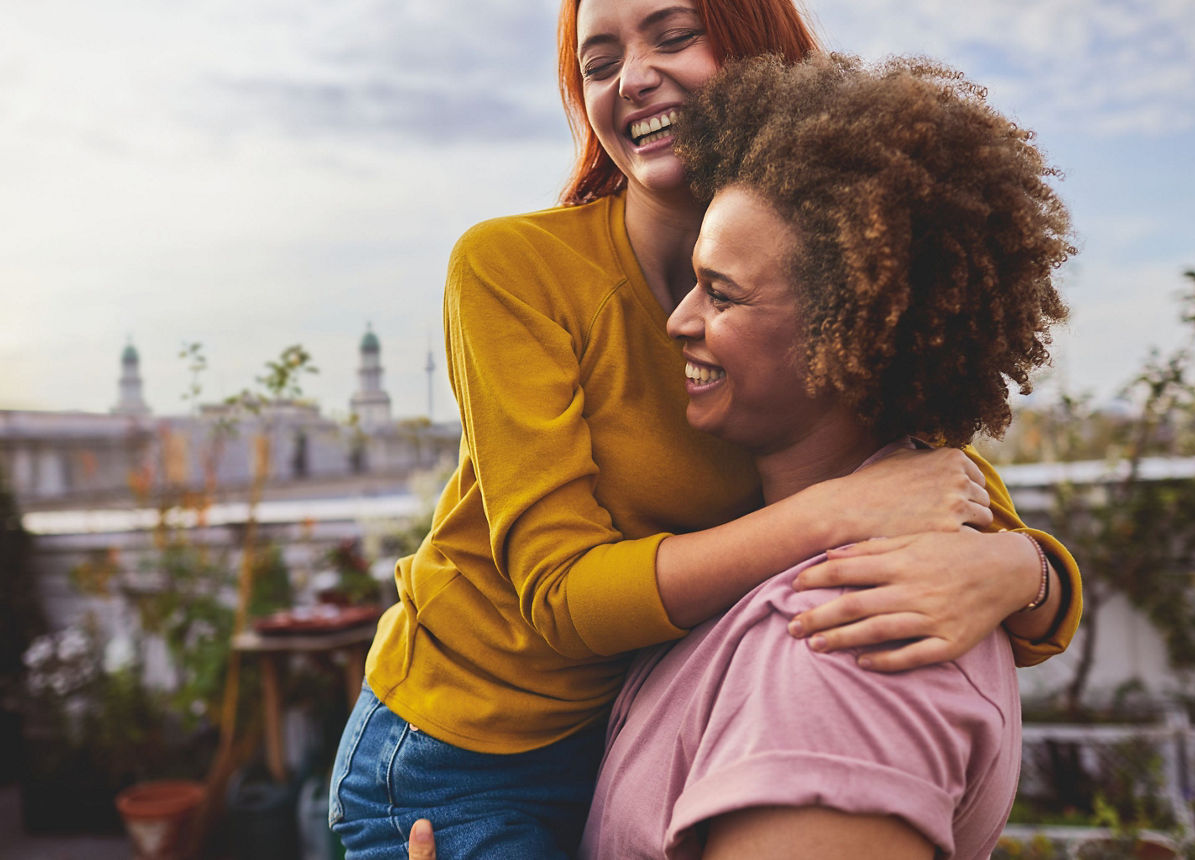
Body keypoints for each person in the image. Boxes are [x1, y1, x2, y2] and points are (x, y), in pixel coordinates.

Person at [331, 1, 1082, 857]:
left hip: (642, 722)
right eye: (599, 62)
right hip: (469, 754)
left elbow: (949, 499)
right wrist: (833, 517)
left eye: (674, 35)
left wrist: (1016, 568)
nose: (633, 76)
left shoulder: (852, 284)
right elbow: (562, 597)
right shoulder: (516, 272)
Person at [578, 51, 1072, 858]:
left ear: (854, 335)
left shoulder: (842, 647)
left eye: (722, 293)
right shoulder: (789, 556)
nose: (678, 321)